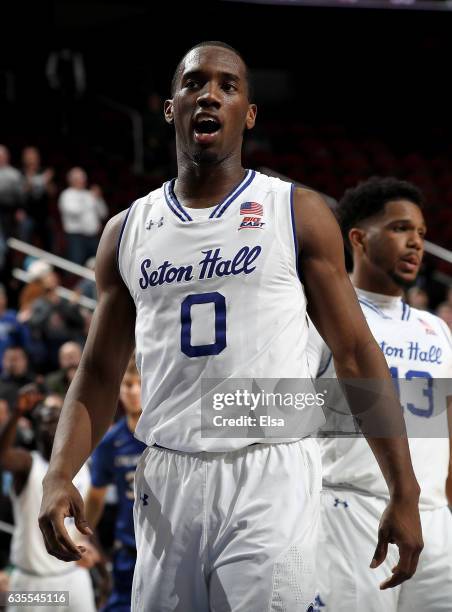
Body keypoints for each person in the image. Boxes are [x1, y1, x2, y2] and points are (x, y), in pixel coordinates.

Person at [38, 42, 423, 612]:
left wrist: (404, 489)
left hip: (269, 467)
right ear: (171, 108)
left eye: (228, 85)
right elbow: (98, 369)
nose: (210, 94)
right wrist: (60, 472)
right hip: (167, 473)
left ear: (249, 113)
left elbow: (357, 353)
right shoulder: (125, 231)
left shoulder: (297, 211)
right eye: (194, 83)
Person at [308, 177, 452, 611]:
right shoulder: (320, 320)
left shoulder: (437, 329)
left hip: (433, 520)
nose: (415, 244)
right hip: (353, 513)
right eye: (399, 229)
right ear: (358, 239)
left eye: (422, 234)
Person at [0, 388, 96, 612]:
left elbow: (86, 517)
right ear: (35, 429)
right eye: (43, 420)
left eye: (55, 419)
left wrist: (93, 547)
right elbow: (3, 457)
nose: (49, 425)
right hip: (32, 582)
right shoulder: (28, 464)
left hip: (74, 575)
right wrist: (17, 413)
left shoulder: (83, 465)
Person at [84, 360, 146, 611]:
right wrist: (84, 536)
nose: (133, 391)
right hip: (129, 547)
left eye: (139, 384)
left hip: (171, 544)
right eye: (127, 385)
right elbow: (96, 497)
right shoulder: (110, 441)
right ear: (118, 390)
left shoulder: (169, 435)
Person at [58, 167, 108, 266]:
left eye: (83, 178)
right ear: (71, 180)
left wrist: (98, 199)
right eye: (79, 178)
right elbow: (74, 212)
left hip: (93, 237)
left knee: (98, 265)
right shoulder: (67, 195)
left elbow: (103, 213)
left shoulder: (90, 194)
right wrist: (89, 201)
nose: (82, 180)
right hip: (76, 237)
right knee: (76, 266)